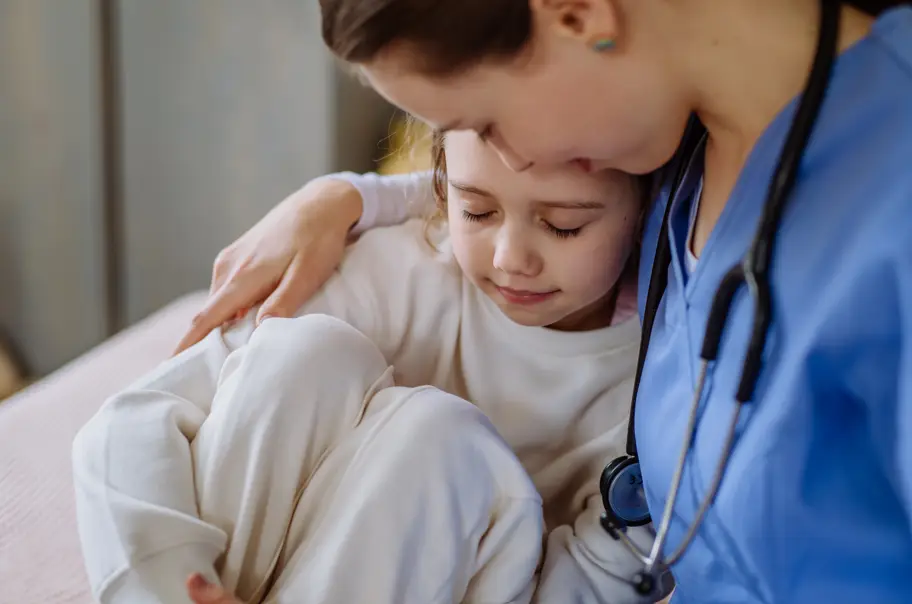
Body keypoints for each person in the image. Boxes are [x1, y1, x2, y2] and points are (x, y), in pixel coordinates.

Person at [173, 1, 912, 602]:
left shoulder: (889, 200)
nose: (510, 155)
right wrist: (347, 198)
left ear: (578, 15)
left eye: (484, 124)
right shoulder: (673, 154)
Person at [73, 130, 664, 604]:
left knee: (440, 438)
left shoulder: (666, 386)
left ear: (650, 209)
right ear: (441, 188)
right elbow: (127, 426)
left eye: (563, 225)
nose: (510, 260)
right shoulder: (404, 269)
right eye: (476, 211)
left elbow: (603, 579)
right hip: (235, 578)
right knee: (304, 353)